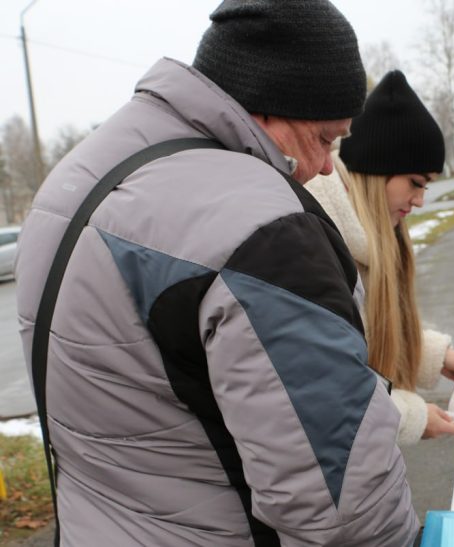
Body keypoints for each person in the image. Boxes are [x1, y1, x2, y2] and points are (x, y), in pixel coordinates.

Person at [14, 1, 418, 545]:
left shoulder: (73, 181)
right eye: (325, 138)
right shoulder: (264, 229)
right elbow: (340, 503)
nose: (327, 167)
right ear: (271, 106)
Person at [306, 70, 454, 445]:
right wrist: (414, 417)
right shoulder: (316, 235)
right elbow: (328, 381)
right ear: (378, 170)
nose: (420, 200)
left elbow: (371, 328)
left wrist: (438, 357)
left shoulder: (374, 230)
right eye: (415, 183)